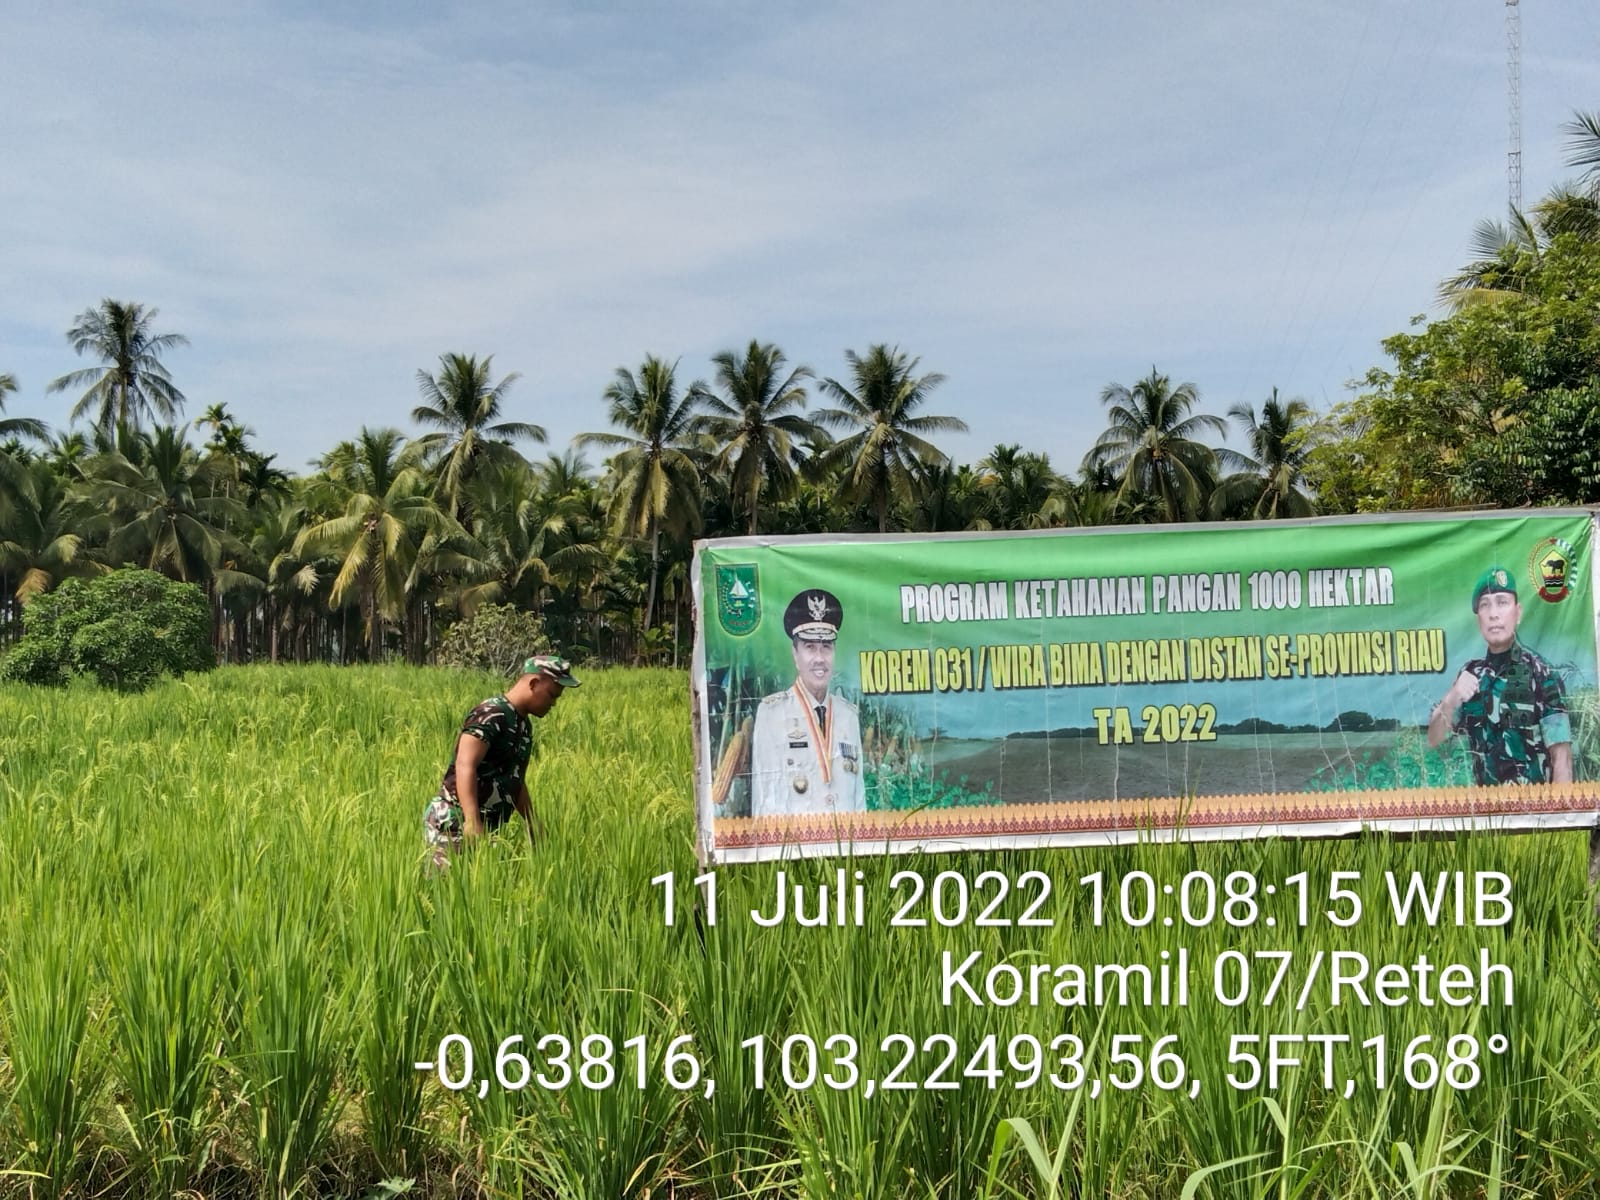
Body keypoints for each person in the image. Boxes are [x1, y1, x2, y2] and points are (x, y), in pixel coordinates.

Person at [423, 654, 581, 867]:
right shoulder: (491, 713)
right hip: (455, 824)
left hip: (488, 828)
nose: (553, 703)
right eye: (552, 695)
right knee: (449, 894)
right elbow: (465, 764)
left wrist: (531, 821)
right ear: (534, 683)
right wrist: (471, 820)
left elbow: (514, 779)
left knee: (484, 895)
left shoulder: (523, 725)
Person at [1427, 566, 1573, 786]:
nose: (1493, 614)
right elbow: (1434, 739)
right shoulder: (1470, 675)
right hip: (1484, 815)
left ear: (1518, 612)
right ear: (1479, 619)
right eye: (1485, 605)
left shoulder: (1541, 673)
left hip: (1533, 814)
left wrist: (1560, 816)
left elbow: (1562, 759)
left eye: (1502, 602)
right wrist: (1452, 697)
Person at [749, 589, 865, 818]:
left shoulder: (848, 716)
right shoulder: (772, 714)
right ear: (795, 653)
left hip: (846, 848)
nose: (819, 658)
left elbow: (859, 799)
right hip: (796, 849)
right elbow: (765, 802)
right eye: (810, 647)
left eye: (826, 647)